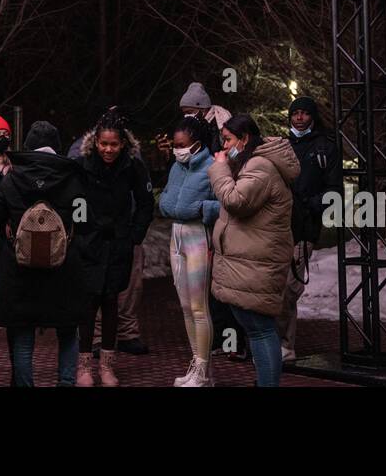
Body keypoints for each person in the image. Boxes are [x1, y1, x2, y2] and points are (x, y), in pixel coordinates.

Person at [0, 120, 90, 387]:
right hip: (64, 270)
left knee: (23, 338)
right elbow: (84, 220)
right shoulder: (73, 177)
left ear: (30, 146)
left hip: (21, 272)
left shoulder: (13, 178)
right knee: (68, 333)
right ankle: (66, 383)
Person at [207, 113, 299, 387]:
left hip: (257, 263)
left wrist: (219, 169)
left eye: (228, 140)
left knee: (260, 331)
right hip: (251, 261)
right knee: (256, 329)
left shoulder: (260, 166)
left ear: (245, 138)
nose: (223, 147)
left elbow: (236, 201)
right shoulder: (254, 163)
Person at [74, 109, 154, 386]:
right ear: (95, 142)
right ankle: (83, 366)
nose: (108, 149)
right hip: (89, 242)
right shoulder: (82, 163)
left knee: (111, 304)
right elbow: (71, 199)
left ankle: (107, 366)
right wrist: (81, 228)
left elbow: (145, 202)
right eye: (104, 144)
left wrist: (134, 235)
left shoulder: (132, 166)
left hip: (118, 243)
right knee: (87, 305)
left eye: (114, 144)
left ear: (123, 144)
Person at [158, 115, 219, 386]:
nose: (177, 149)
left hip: (198, 235)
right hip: (176, 235)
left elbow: (225, 202)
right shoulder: (176, 167)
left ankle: (204, 371)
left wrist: (203, 209)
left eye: (182, 145)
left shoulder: (212, 167)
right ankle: (196, 363)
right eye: (175, 145)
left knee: (198, 306)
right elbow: (168, 197)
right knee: (185, 306)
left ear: (196, 144)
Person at [280, 95, 341, 365]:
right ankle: (270, 343)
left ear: (312, 117)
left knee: (288, 290)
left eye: (305, 113)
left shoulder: (325, 147)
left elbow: (334, 191)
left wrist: (309, 206)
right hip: (274, 228)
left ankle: (284, 346)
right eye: (296, 113)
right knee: (272, 289)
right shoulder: (280, 145)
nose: (300, 117)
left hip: (303, 228)